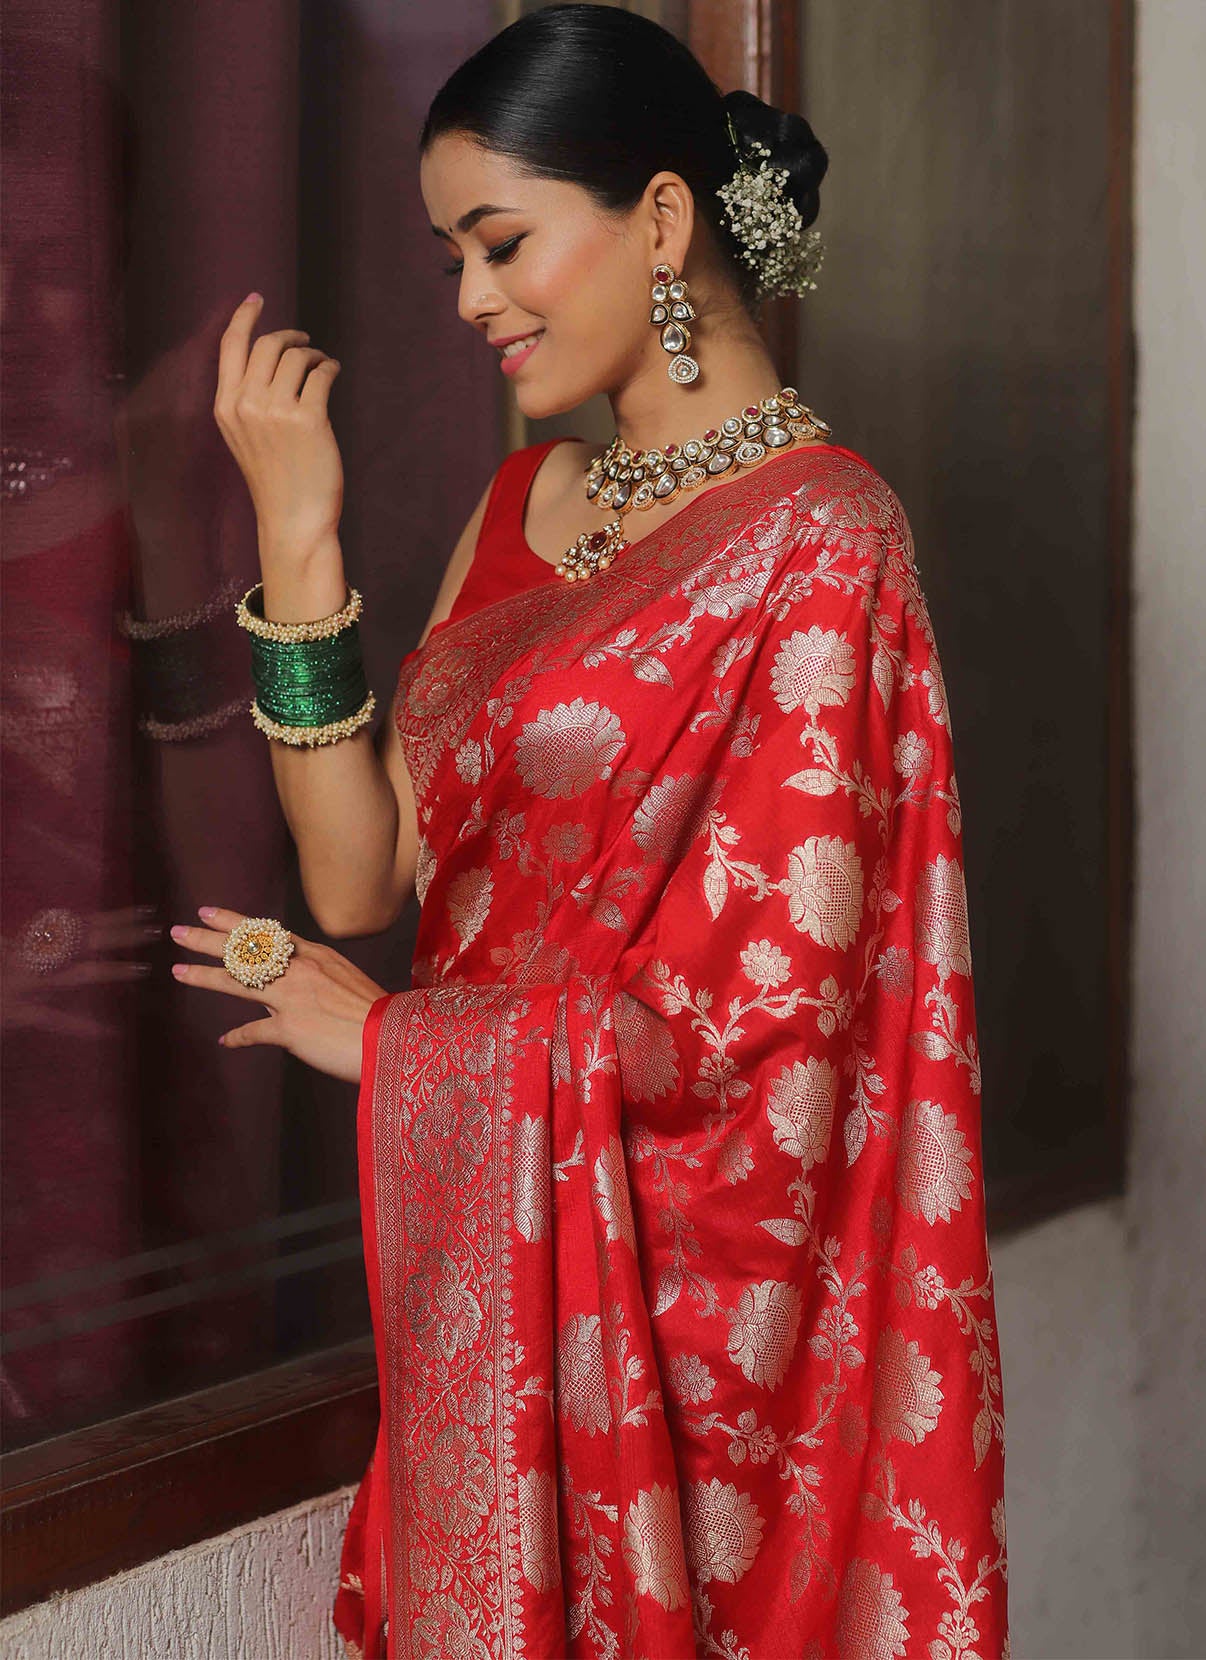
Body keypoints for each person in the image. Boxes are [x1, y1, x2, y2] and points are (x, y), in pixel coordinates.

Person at [171, 7, 1009, 1656]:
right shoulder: (522, 505)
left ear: (666, 222)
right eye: (450, 257)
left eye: (502, 243)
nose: (472, 298)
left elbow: (778, 1035)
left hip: (682, 1328)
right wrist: (300, 532)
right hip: (487, 1263)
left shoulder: (825, 543)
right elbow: (359, 874)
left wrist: (404, 1046)